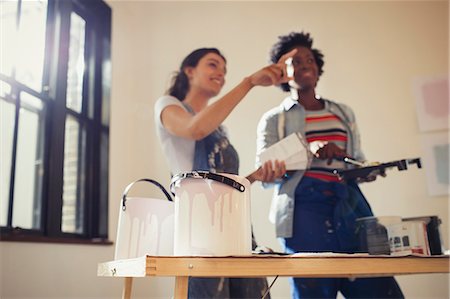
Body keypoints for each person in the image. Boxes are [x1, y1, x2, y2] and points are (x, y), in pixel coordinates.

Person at [256, 32, 405, 299]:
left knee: (375, 286)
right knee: (313, 290)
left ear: (318, 67)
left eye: (309, 60)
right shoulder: (273, 120)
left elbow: (357, 159)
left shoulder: (342, 113)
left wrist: (366, 169)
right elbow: (265, 173)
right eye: (295, 61)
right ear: (281, 73)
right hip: (303, 212)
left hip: (350, 206)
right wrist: (307, 151)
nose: (304, 65)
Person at [154, 47, 292, 298]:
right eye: (213, 65)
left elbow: (224, 186)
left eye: (225, 70)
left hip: (235, 227)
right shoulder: (169, 106)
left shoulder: (220, 129)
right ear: (189, 71)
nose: (221, 73)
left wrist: (256, 176)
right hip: (199, 234)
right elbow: (195, 129)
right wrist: (248, 83)